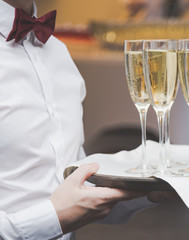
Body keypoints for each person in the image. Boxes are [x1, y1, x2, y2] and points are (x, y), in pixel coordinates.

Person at [0, 0, 165, 239]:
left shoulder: (57, 53)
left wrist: (152, 189)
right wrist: (54, 218)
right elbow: (62, 211)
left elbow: (73, 192)